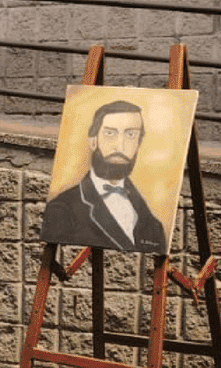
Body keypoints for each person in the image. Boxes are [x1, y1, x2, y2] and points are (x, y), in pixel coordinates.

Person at [42, 99, 168, 253]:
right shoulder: (62, 209)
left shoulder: (152, 223)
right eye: (110, 133)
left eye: (131, 134)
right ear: (93, 141)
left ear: (138, 144)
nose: (120, 146)